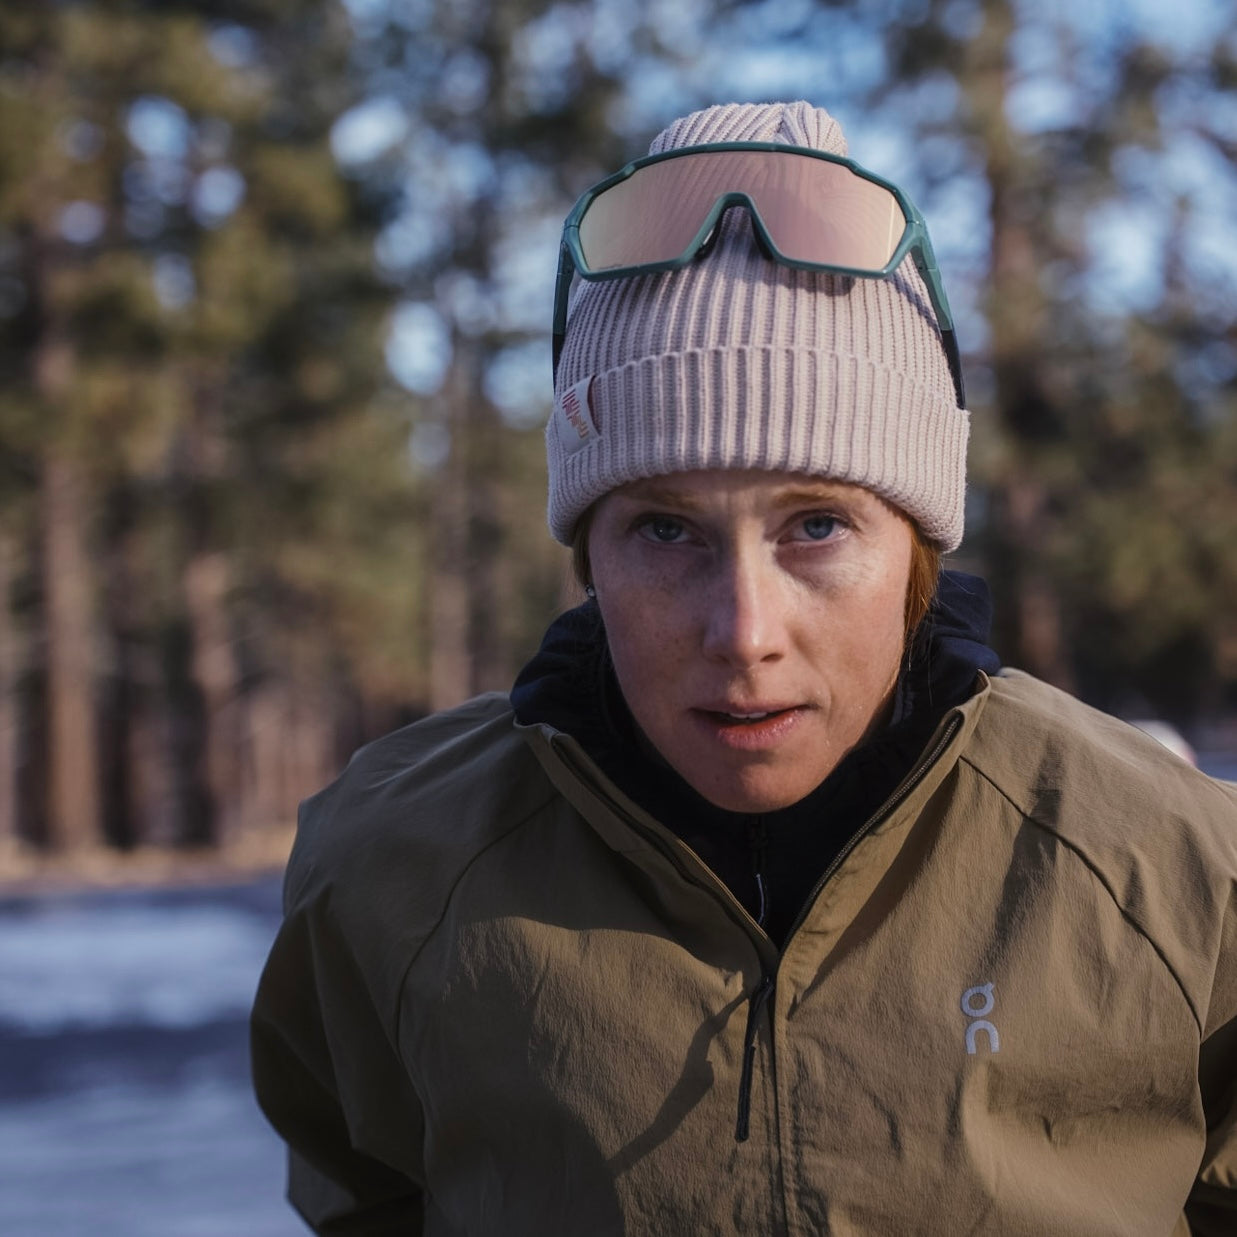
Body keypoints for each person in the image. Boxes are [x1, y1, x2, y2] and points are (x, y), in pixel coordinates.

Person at [250, 101, 1237, 1235]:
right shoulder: (391, 866)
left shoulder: (1174, 871)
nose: (743, 631)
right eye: (665, 529)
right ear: (587, 553)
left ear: (915, 547)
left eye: (816, 524)